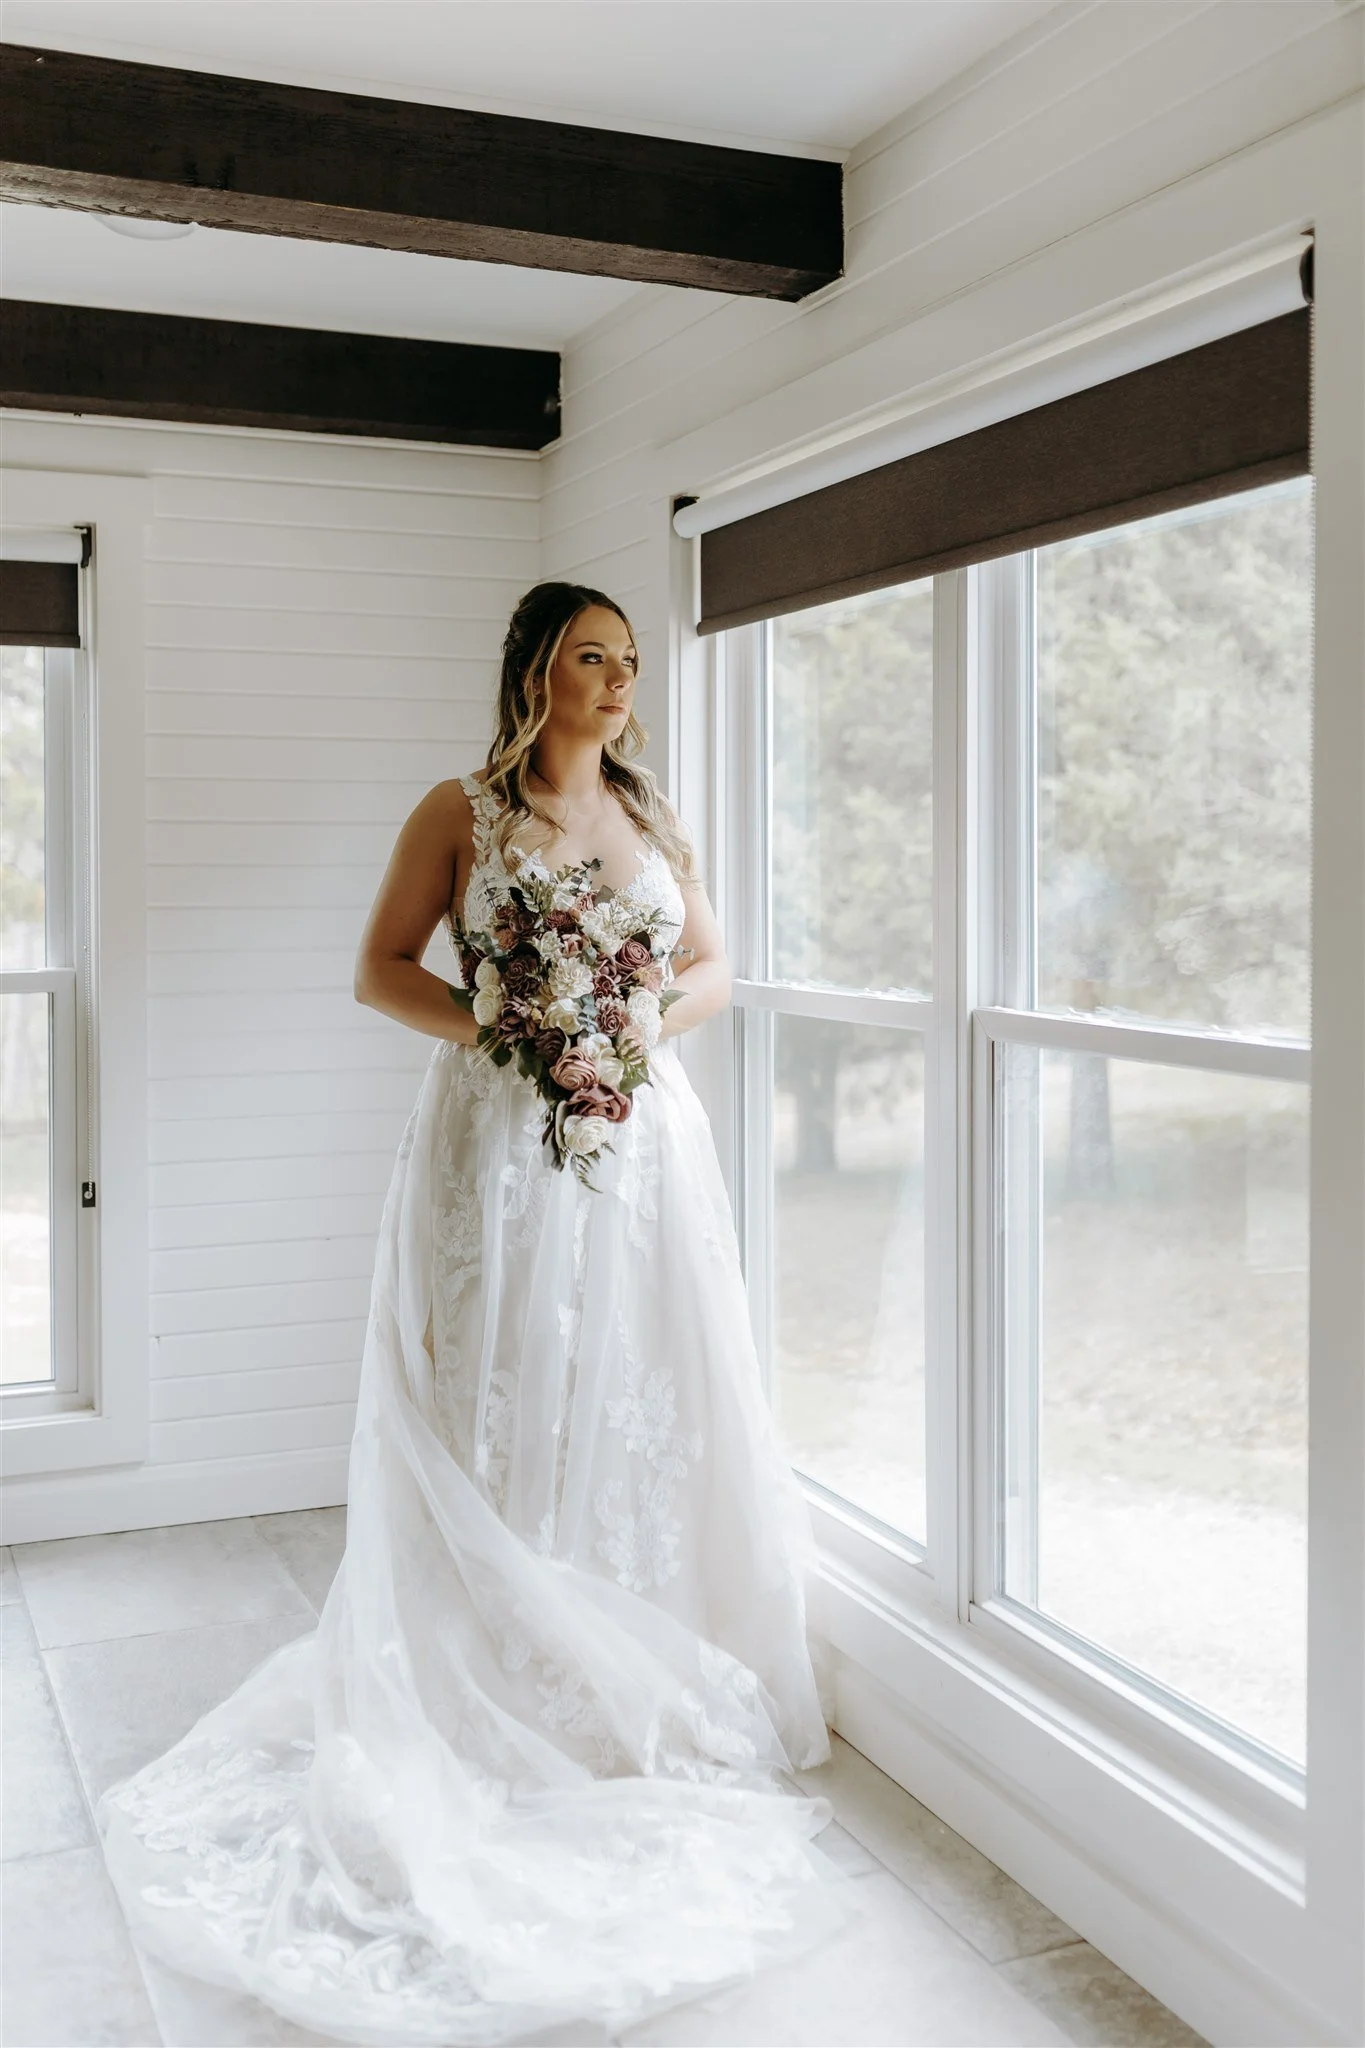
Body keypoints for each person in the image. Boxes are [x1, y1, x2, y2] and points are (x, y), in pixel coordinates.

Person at [97, 582, 858, 2046]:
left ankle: (617, 1658)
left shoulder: (647, 808)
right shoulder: (461, 811)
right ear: (533, 671)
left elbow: (710, 967)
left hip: (639, 1147)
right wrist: (511, 1026)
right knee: (502, 1384)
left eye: (631, 661)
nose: (618, 681)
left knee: (635, 1387)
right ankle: (484, 1673)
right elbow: (380, 968)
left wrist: (629, 1027)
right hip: (499, 1146)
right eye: (592, 657)